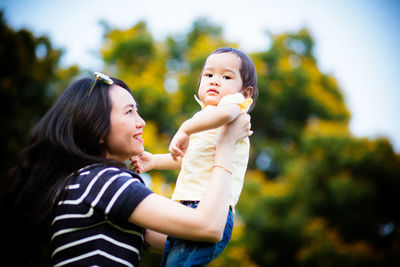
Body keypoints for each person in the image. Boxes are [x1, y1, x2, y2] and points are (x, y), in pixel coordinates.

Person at [0, 72, 252, 266]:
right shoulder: (102, 181)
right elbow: (208, 227)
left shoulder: (86, 184)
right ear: (96, 126)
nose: (141, 122)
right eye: (129, 112)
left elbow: (192, 235)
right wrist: (226, 143)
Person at [131, 47, 258, 266]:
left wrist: (186, 128)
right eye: (208, 75)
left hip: (209, 209)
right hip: (185, 208)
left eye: (226, 76)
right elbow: (188, 158)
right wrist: (155, 161)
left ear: (246, 93)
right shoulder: (204, 117)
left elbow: (225, 115)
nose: (215, 81)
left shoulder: (233, 107)